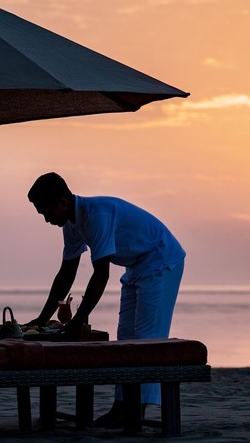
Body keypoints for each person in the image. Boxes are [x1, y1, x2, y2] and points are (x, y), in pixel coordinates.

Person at [25, 171, 185, 427]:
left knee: (145, 339)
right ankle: (121, 406)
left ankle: (136, 411)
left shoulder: (96, 215)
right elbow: (67, 273)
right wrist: (41, 319)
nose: (46, 220)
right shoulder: (70, 225)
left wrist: (77, 321)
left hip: (161, 259)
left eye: (46, 212)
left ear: (62, 203)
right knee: (125, 337)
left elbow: (101, 274)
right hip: (136, 265)